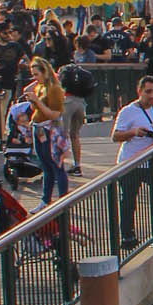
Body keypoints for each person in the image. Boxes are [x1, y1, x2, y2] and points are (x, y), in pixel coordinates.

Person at [111, 73, 153, 243]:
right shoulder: (127, 111)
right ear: (139, 92)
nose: (152, 96)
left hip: (150, 159)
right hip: (131, 162)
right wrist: (134, 132)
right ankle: (127, 236)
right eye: (148, 92)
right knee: (129, 200)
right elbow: (115, 136)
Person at [25, 57, 68, 206]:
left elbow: (55, 114)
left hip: (50, 130)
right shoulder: (40, 87)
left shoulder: (54, 89)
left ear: (45, 73)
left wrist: (37, 101)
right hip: (38, 128)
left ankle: (63, 200)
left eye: (36, 74)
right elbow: (35, 108)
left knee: (56, 165)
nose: (34, 78)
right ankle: (45, 200)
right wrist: (33, 100)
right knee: (45, 166)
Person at [58, 43, 96, 176]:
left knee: (62, 134)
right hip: (81, 103)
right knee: (75, 135)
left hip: (68, 101)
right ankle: (77, 165)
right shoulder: (79, 72)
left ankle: (59, 165)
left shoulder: (64, 71)